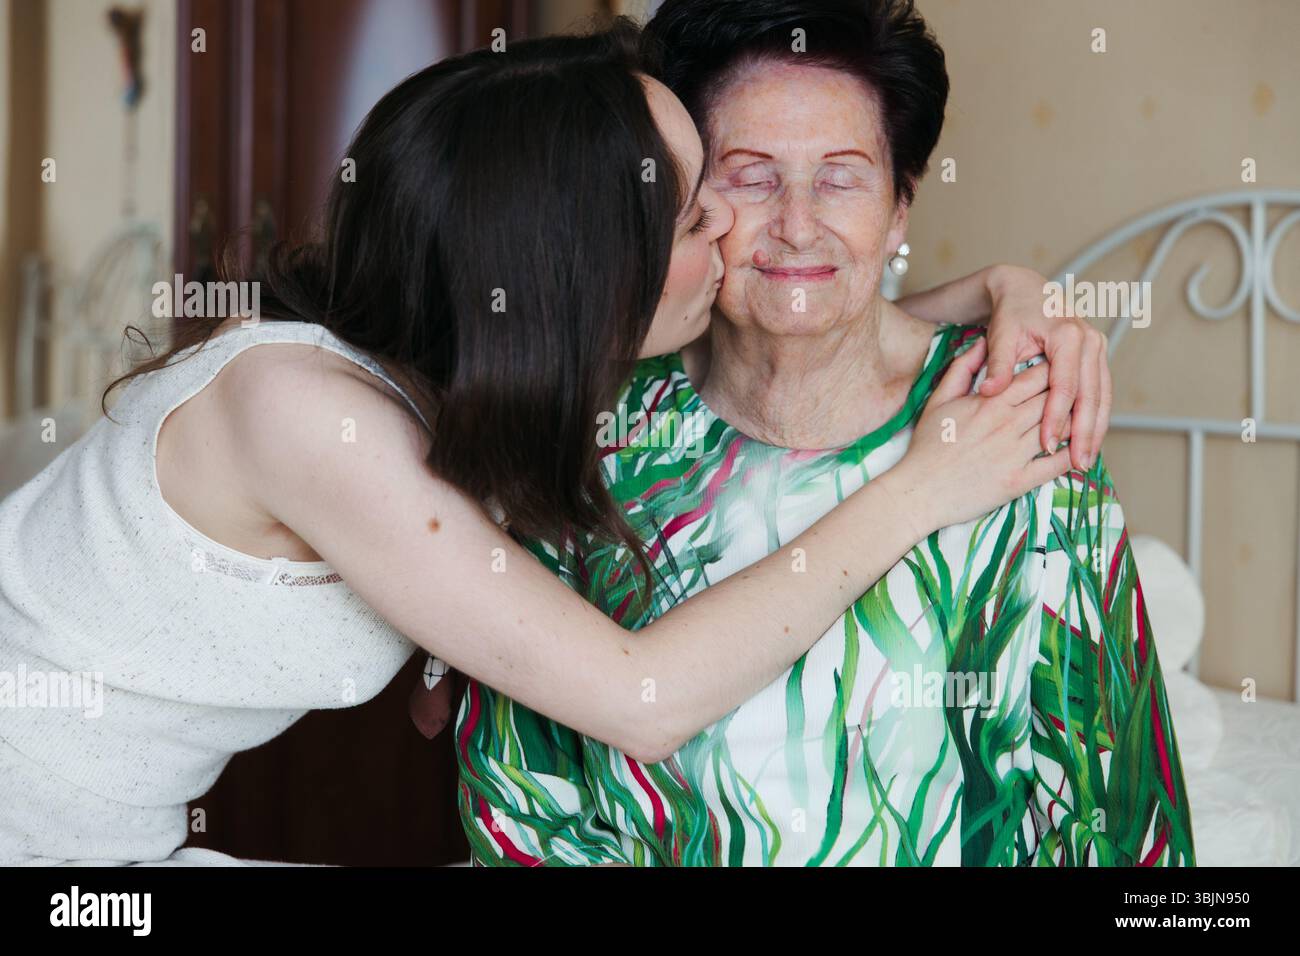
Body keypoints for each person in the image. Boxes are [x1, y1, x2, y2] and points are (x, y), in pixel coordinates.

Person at [455, 1, 1192, 867]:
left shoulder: (1010, 412)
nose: (798, 224)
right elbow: (523, 800)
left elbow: (1111, 811)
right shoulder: (597, 422)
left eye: (841, 178)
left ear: (900, 208)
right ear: (683, 201)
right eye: (751, 177)